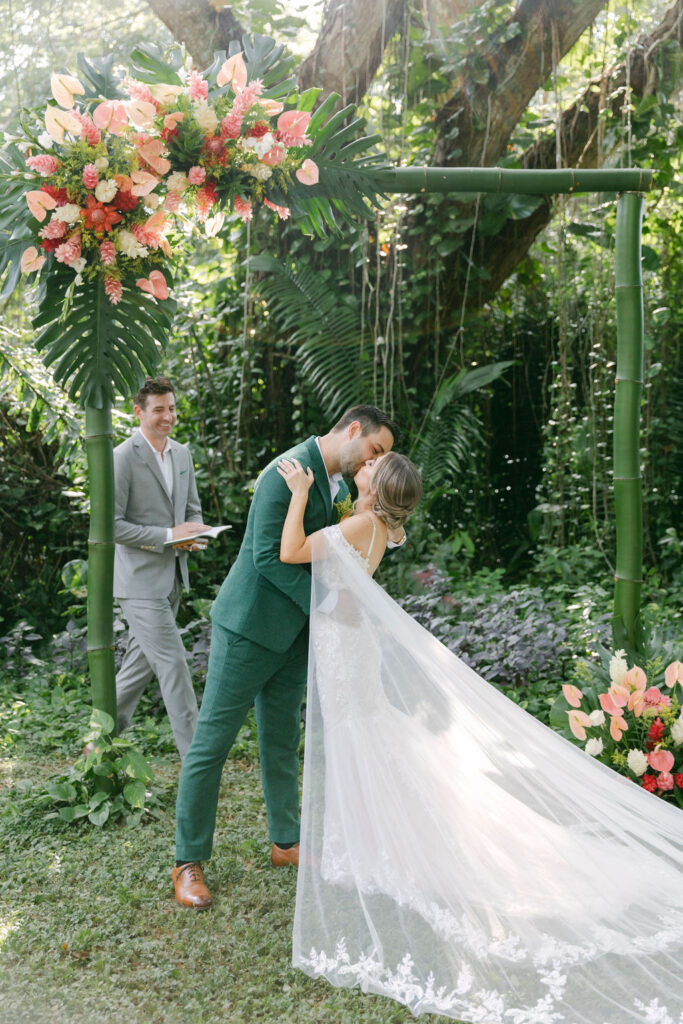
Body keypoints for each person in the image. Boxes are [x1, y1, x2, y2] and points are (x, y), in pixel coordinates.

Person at [279, 457, 683, 1022]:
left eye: (373, 466)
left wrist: (299, 492)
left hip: (345, 647)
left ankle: (387, 840)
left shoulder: (359, 525)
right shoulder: (379, 524)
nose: (365, 465)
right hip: (349, 643)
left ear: (378, 490)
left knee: (368, 738)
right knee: (371, 738)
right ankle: (377, 836)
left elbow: (291, 552)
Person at [172, 406, 400, 909]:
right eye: (375, 450)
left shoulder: (340, 484)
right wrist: (329, 604)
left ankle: (286, 842)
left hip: (297, 636)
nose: (375, 462)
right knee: (212, 742)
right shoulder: (286, 472)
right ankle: (187, 861)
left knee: (281, 742)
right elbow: (265, 558)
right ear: (354, 431)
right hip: (249, 630)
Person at [113, 376, 208, 759]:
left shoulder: (182, 454)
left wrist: (196, 533)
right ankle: (197, 761)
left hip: (173, 579)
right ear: (138, 412)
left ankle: (95, 746)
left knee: (137, 671)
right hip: (138, 584)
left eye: (171, 407)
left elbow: (192, 510)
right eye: (159, 410)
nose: (168, 416)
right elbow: (112, 526)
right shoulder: (122, 456)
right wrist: (170, 535)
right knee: (173, 665)